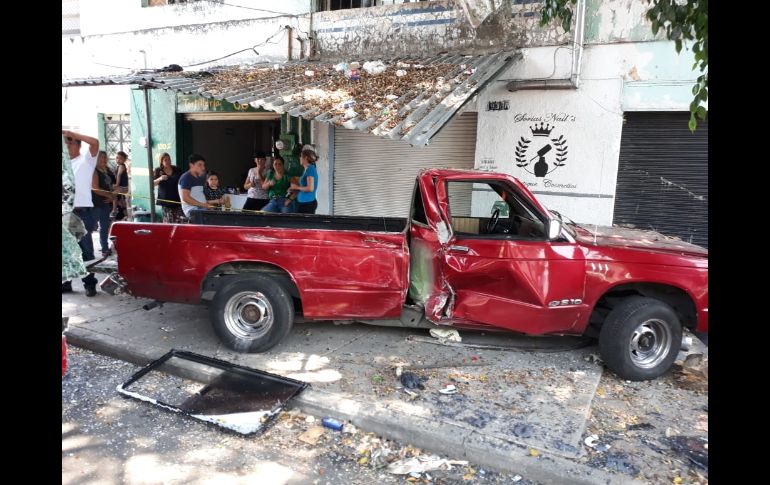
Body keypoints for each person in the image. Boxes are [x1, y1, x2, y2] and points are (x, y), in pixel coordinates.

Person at [61, 130, 100, 297]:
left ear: (77, 144)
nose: (66, 146)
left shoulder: (85, 160)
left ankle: (90, 284)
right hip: (65, 213)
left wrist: (71, 133)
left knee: (86, 252)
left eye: (69, 143)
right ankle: (67, 282)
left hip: (80, 213)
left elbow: (95, 143)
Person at [92, 151, 115, 257]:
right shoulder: (94, 170)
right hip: (96, 203)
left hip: (106, 204)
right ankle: (87, 252)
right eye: (101, 157)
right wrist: (109, 195)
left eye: (105, 157)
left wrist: (112, 196)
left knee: (104, 227)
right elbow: (95, 188)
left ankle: (105, 248)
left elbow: (111, 187)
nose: (103, 159)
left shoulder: (108, 171)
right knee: (91, 228)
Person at [178, 153, 212, 218]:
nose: (203, 168)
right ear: (191, 165)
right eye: (200, 165)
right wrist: (203, 205)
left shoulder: (199, 178)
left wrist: (207, 205)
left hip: (201, 209)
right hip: (192, 211)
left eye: (203, 165)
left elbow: (199, 196)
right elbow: (185, 198)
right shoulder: (186, 177)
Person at [153, 152, 184, 223]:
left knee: (179, 220)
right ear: (161, 161)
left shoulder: (176, 169)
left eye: (169, 159)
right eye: (165, 160)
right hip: (166, 201)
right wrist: (160, 178)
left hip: (177, 199)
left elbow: (182, 180)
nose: (168, 161)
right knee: (168, 221)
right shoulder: (158, 170)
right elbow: (152, 184)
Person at [290, 148, 319, 214]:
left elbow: (310, 188)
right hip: (303, 203)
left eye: (301, 156)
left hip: (307, 204)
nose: (299, 158)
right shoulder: (306, 169)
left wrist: (296, 187)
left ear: (305, 158)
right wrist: (293, 188)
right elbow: (304, 186)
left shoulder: (310, 169)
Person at [112, 151, 129, 220]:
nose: (118, 160)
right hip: (121, 187)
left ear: (124, 160)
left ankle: (114, 210)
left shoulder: (121, 166)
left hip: (123, 187)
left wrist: (117, 184)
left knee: (113, 194)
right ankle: (124, 214)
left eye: (120, 158)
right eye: (117, 158)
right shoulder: (118, 166)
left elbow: (118, 176)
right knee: (121, 201)